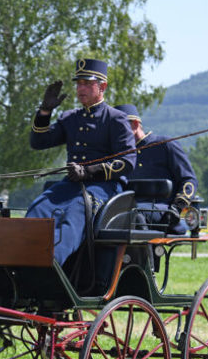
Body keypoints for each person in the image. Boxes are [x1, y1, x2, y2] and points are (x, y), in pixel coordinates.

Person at [26, 58, 135, 265]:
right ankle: (21, 259)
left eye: (87, 83)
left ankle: (49, 264)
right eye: (78, 83)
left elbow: (127, 162)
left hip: (105, 187)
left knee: (76, 210)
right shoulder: (70, 117)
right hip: (71, 185)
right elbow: (39, 142)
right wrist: (44, 112)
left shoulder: (116, 119)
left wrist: (90, 171)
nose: (80, 88)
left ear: (102, 86)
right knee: (38, 207)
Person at [114, 104, 198, 234]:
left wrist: (177, 207)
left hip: (162, 211)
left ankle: (145, 253)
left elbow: (189, 180)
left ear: (135, 125)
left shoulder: (165, 145)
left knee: (134, 214)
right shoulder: (118, 155)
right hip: (127, 209)